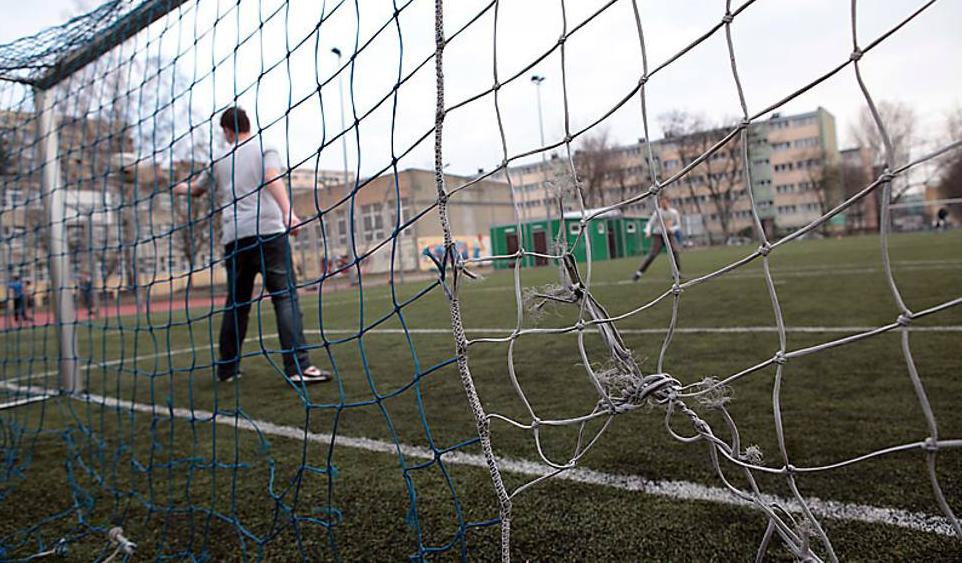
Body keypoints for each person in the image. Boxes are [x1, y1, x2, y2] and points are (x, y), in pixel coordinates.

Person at [174, 106, 329, 384]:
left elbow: (196, 190)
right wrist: (288, 213)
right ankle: (298, 367)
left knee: (237, 305)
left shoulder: (218, 159)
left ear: (227, 130)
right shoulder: (264, 147)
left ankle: (227, 369)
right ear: (247, 124)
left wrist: (179, 187)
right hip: (268, 233)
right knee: (284, 298)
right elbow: (271, 177)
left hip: (234, 239)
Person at [633, 194, 682, 281]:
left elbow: (678, 225)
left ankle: (676, 273)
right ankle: (639, 273)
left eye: (665, 202)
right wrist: (648, 232)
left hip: (669, 235)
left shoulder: (674, 213)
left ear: (668, 202)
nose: (663, 204)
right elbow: (650, 223)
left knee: (675, 252)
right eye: (661, 202)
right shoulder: (657, 213)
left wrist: (672, 229)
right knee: (652, 254)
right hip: (658, 235)